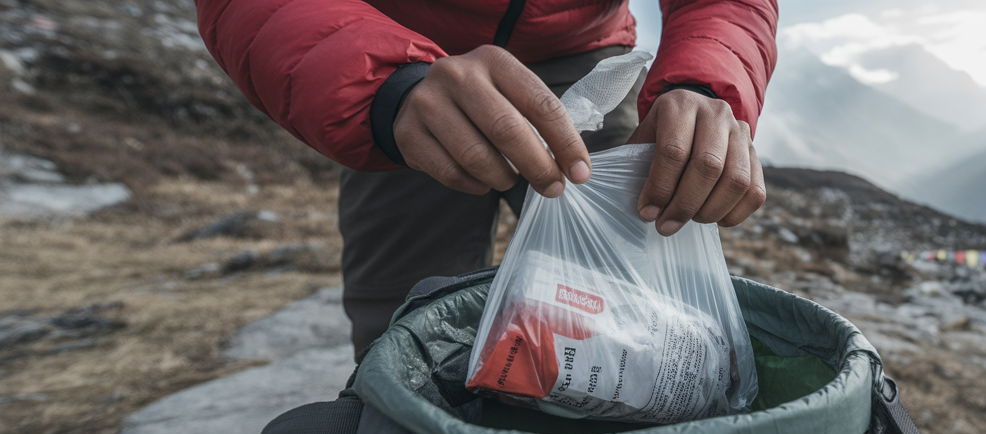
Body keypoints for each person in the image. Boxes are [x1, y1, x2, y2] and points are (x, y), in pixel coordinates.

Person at [195, 0, 777, 359]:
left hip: (584, 64)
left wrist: (705, 83)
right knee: (399, 320)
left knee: (643, 305)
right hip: (403, 61)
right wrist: (385, 83)